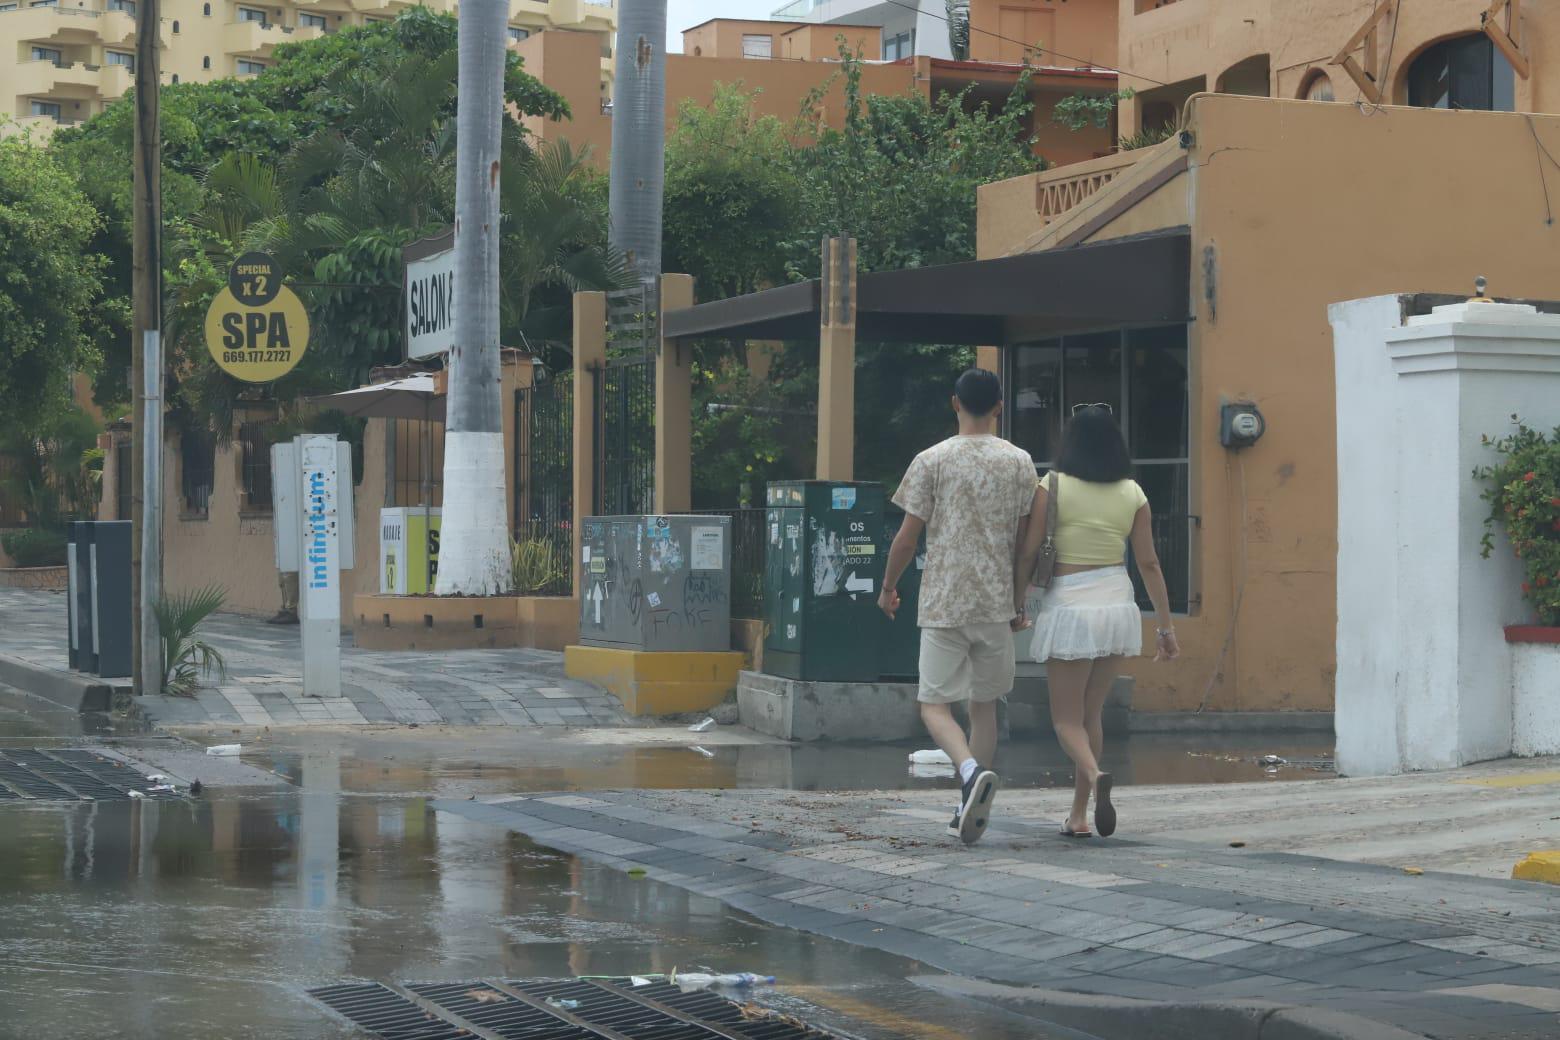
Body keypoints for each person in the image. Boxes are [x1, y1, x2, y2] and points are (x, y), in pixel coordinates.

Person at [881, 369, 1038, 845]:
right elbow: (1026, 543)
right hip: (995, 603)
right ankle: (969, 798)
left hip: (944, 601)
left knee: (933, 705)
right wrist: (1018, 599)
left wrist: (889, 586)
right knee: (984, 704)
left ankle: (969, 773)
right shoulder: (1020, 462)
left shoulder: (931, 460)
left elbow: (907, 539)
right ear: (999, 406)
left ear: (954, 403)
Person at [1013, 405, 1180, 839]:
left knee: (1066, 720)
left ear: (1070, 444)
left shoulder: (1052, 485)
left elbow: (1030, 549)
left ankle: (1095, 772)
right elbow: (1149, 563)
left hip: (1071, 606)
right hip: (1117, 607)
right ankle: (1079, 815)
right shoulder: (1133, 492)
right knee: (1092, 716)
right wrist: (1165, 628)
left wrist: (1017, 601)